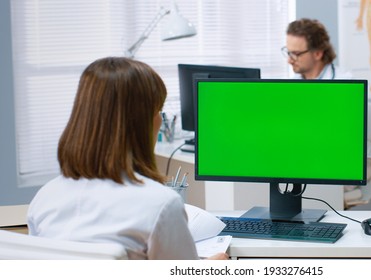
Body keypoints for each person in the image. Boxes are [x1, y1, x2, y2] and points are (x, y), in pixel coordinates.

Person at [27, 57, 228, 260]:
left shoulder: (45, 198)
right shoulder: (161, 204)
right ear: (140, 124)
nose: (160, 119)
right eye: (158, 111)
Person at [283, 18, 351, 80]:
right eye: (289, 53)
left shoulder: (346, 84)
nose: (289, 61)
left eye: (295, 54)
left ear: (318, 54)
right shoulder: (291, 85)